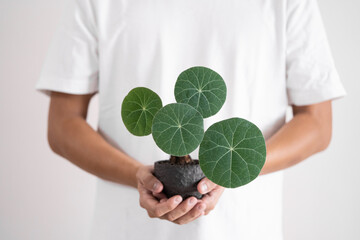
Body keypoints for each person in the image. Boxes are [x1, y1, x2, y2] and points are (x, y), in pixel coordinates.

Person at [36, 0, 346, 239]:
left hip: (244, 230)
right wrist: (138, 177)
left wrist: (232, 168)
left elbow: (317, 123)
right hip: (125, 230)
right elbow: (63, 127)